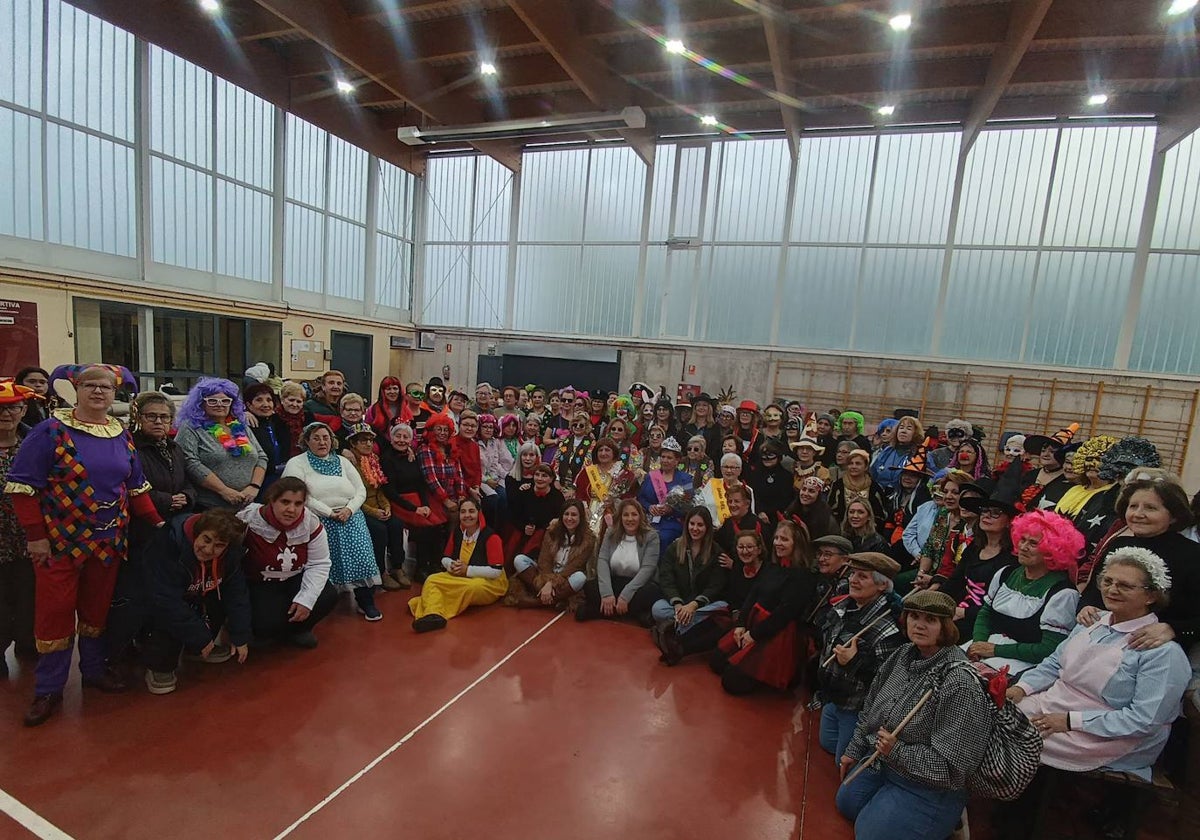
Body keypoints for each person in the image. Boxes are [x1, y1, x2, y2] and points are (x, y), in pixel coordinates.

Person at [6, 364, 163, 726]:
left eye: (105, 387)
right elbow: (22, 489)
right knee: (55, 615)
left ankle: (93, 670)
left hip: (108, 543)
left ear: (114, 394)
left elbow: (136, 487)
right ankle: (48, 689)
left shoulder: (119, 433)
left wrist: (157, 524)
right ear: (75, 389)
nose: (98, 392)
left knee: (96, 613)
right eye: (90, 385)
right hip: (59, 545)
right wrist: (36, 537)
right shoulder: (50, 431)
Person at [1009, 547, 1191, 776]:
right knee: (993, 716)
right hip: (1055, 705)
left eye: (1125, 586)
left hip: (1109, 736)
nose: (1112, 590)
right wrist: (1021, 688)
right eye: (1107, 581)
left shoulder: (1162, 653)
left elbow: (1145, 720)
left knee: (1013, 735)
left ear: (1151, 595)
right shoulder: (1093, 621)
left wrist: (1070, 721)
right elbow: (1054, 664)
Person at [836, 590, 993, 840]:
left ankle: (947, 816)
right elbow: (871, 705)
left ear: (946, 626)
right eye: (914, 617)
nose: (919, 625)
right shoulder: (903, 654)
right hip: (887, 762)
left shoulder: (960, 683)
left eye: (930, 620)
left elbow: (953, 769)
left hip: (930, 785)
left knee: (868, 834)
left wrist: (897, 751)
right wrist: (854, 749)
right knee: (847, 802)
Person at [105, 392, 197, 674]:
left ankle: (156, 642)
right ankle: (123, 649)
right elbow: (127, 485)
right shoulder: (129, 446)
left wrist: (186, 497)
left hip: (172, 527)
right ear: (138, 418)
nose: (158, 422)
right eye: (151, 416)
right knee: (136, 591)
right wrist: (166, 500)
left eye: (164, 417)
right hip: (141, 530)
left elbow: (189, 482)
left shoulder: (175, 448)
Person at [1075, 470, 1200, 654]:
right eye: (1133, 506)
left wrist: (1174, 629)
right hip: (1103, 638)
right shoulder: (1117, 544)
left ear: (1174, 515)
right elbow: (1093, 590)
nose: (1138, 514)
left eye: (1150, 508)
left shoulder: (1193, 554)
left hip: (1154, 649)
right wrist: (1085, 607)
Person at [143, 509, 252, 694]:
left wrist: (240, 635)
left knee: (219, 599)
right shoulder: (168, 543)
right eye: (206, 540)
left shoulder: (230, 555)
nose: (209, 550)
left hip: (199, 592)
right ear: (196, 533)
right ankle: (160, 666)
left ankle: (197, 650)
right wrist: (199, 635)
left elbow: (237, 594)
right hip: (161, 600)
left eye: (219, 545)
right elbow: (164, 599)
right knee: (167, 617)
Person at [282, 422, 383, 621]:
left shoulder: (343, 462)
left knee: (362, 557)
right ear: (306, 441)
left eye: (326, 437)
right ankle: (319, 604)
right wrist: (329, 512)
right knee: (321, 564)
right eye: (316, 438)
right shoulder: (297, 463)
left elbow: (360, 490)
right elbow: (297, 493)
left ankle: (365, 600)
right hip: (317, 519)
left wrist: (349, 509)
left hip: (350, 517)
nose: (322, 442)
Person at [967, 509, 1083, 677]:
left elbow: (1049, 649)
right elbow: (985, 612)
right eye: (1022, 540)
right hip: (985, 652)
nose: (1023, 547)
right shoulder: (1005, 573)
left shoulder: (1062, 594)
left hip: (1023, 667)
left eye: (1033, 543)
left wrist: (996, 650)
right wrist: (979, 643)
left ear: (1052, 550)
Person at [816, 552, 904, 763]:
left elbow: (886, 682)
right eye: (853, 574)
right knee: (827, 742)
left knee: (844, 761)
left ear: (882, 585)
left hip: (856, 708)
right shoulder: (844, 607)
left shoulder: (888, 628)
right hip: (834, 697)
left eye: (862, 576)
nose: (853, 580)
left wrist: (854, 662)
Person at [710, 526, 816, 695]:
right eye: (777, 538)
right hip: (755, 622)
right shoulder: (772, 566)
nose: (778, 543)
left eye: (784, 539)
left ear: (797, 544)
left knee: (731, 682)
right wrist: (741, 624)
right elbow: (753, 594)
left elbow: (784, 614)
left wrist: (753, 635)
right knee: (716, 660)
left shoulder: (802, 576)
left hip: (777, 632)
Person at [236, 478, 337, 649]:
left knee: (327, 595)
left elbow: (319, 563)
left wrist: (307, 600)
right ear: (272, 500)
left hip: (294, 579)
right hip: (259, 583)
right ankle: (271, 628)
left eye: (298, 504)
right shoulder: (247, 520)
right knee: (265, 626)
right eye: (285, 502)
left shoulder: (311, 523)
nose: (291, 509)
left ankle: (300, 629)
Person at [408, 498, 507, 632]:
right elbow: (445, 558)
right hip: (460, 576)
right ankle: (433, 615)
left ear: (479, 513)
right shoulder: (457, 533)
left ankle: (430, 606)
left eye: (471, 511)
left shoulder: (491, 537)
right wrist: (451, 564)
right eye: (463, 512)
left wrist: (467, 570)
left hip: (488, 581)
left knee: (473, 587)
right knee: (432, 580)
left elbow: (496, 571)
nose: (467, 516)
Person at [174, 377, 268, 511]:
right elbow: (189, 462)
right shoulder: (191, 427)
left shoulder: (240, 426)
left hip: (245, 505)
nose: (220, 404)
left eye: (225, 401)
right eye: (212, 401)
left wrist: (254, 487)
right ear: (201, 403)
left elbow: (261, 457)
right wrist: (224, 491)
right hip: (209, 507)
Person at [651, 506, 729, 664]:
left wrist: (693, 605)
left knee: (722, 607)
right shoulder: (675, 547)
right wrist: (678, 603)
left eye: (700, 525)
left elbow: (715, 585)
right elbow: (666, 577)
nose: (695, 528)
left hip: (699, 606)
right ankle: (680, 626)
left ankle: (673, 628)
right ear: (686, 525)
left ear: (707, 527)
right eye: (692, 524)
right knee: (657, 609)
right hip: (678, 604)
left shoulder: (716, 551)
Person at [0, 380, 36, 673]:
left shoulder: (34, 445)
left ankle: (28, 642)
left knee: (29, 598)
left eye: (14, 407)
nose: (7, 413)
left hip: (29, 540)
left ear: (24, 410)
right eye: (1, 407)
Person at [577, 499, 661, 624]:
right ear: (620, 517)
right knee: (590, 587)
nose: (630, 519)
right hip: (615, 581)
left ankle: (599, 611)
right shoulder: (611, 532)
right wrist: (606, 594)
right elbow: (603, 560)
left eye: (634, 514)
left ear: (640, 516)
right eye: (625, 515)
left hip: (638, 584)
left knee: (652, 593)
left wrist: (625, 596)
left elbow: (647, 569)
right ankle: (633, 614)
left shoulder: (651, 536)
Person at [344, 423, 405, 592]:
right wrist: (373, 512)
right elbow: (352, 495)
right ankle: (380, 571)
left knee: (396, 524)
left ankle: (397, 567)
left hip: (378, 505)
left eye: (371, 440)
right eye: (363, 441)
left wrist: (386, 507)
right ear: (353, 444)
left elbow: (380, 489)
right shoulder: (349, 463)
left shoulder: (374, 460)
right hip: (359, 508)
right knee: (379, 530)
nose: (369, 444)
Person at [506, 499, 595, 610]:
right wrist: (547, 582)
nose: (569, 518)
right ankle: (552, 597)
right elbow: (544, 560)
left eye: (574, 515)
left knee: (580, 578)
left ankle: (535, 602)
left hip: (565, 577)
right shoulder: (552, 531)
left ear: (580, 517)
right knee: (519, 560)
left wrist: (552, 583)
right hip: (547, 572)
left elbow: (574, 567)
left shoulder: (588, 539)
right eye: (566, 514)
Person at [378, 423, 439, 583]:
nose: (401, 440)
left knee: (437, 524)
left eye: (406, 437)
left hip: (416, 500)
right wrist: (415, 508)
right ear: (391, 438)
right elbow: (390, 492)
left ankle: (431, 564)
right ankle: (419, 569)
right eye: (398, 436)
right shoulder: (386, 459)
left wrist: (425, 504)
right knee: (425, 527)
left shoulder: (412, 457)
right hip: (399, 502)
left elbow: (421, 484)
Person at [636, 436, 693, 550]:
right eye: (663, 457)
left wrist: (671, 509)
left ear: (677, 461)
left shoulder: (686, 479)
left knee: (660, 538)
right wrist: (650, 507)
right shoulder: (650, 476)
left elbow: (689, 504)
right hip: (649, 520)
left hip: (672, 522)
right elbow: (640, 498)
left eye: (669, 458)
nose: (665, 460)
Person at [574, 436, 638, 535]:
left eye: (607, 450)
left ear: (614, 453)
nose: (603, 453)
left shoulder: (623, 473)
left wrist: (615, 502)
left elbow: (629, 499)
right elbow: (579, 494)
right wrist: (584, 508)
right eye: (600, 450)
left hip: (613, 515)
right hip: (588, 514)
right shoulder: (588, 471)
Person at [504, 463, 565, 564]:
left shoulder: (557, 497)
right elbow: (514, 514)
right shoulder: (525, 491)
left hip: (545, 535)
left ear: (551, 479)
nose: (539, 478)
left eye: (544, 476)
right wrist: (524, 527)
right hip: (522, 531)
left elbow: (559, 520)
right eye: (537, 475)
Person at [1019, 423, 1079, 512]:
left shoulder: (1069, 480)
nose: (1045, 454)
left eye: (1052, 451)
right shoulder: (1030, 474)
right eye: (1043, 451)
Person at [243, 382, 290, 495]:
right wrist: (240, 413)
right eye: (259, 400)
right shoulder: (245, 424)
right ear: (249, 405)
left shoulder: (278, 422)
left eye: (269, 400)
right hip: (256, 481)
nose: (266, 404)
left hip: (279, 477)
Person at [828, 448, 888, 528]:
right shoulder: (838, 485)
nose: (853, 466)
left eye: (858, 463)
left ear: (866, 466)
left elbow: (881, 514)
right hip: (841, 530)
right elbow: (831, 510)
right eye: (850, 463)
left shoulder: (874, 487)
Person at [477, 413, 513, 526]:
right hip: (480, 479)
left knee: (506, 495)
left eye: (491, 427)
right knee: (494, 499)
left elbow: (494, 463)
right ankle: (489, 528)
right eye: (485, 427)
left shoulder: (493, 442)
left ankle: (500, 530)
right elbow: (476, 469)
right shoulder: (475, 443)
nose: (488, 430)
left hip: (493, 477)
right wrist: (487, 480)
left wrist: (494, 478)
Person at [785, 475, 840, 541]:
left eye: (811, 491)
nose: (805, 493)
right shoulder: (790, 511)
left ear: (819, 495)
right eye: (804, 489)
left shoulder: (827, 519)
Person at [276, 381, 312, 459]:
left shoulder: (308, 417)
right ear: (282, 400)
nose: (295, 404)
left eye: (299, 401)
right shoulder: (274, 418)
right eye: (291, 400)